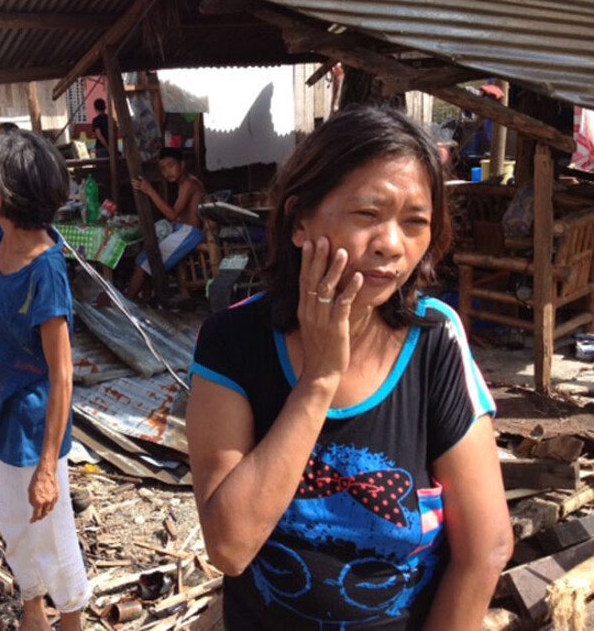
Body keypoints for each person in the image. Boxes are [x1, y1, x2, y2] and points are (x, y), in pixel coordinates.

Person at [187, 105, 512, 630]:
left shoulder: (433, 341)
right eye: (367, 215)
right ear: (298, 222)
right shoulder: (233, 342)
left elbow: (485, 548)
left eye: (415, 223)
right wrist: (318, 381)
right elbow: (230, 547)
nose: (391, 244)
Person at [0, 102, 91, 631]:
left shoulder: (46, 272)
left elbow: (63, 374)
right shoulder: (3, 237)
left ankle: (70, 618)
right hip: (5, 415)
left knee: (52, 533)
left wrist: (47, 469)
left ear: (3, 198)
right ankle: (34, 611)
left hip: (36, 430)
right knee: (15, 524)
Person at [127, 147, 205, 301]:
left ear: (182, 165)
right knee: (146, 255)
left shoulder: (190, 183)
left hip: (190, 233)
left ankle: (126, 303)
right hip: (183, 231)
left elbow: (173, 214)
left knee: (146, 261)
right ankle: (144, 301)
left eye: (171, 166)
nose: (168, 172)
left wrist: (150, 191)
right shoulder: (183, 184)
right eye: (163, 168)